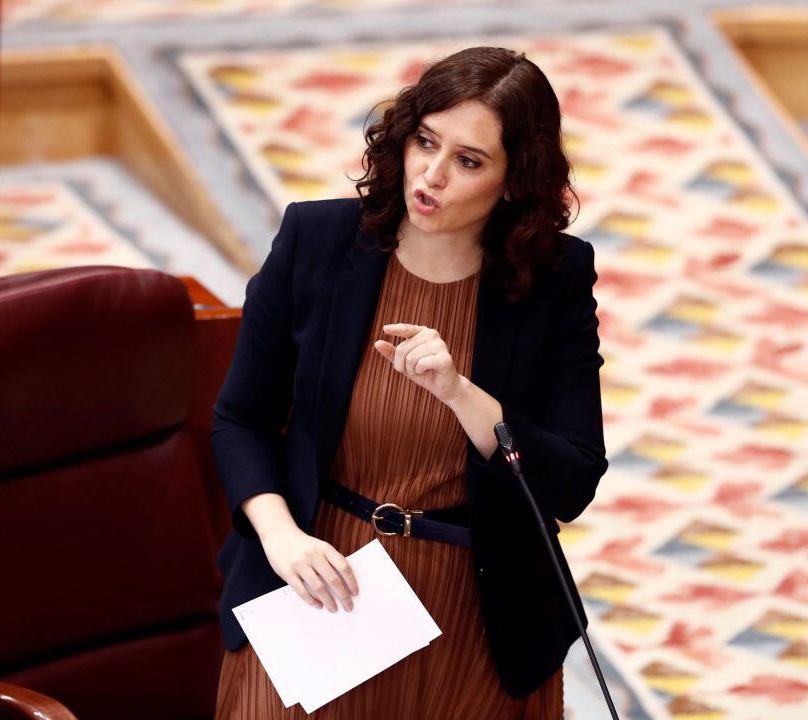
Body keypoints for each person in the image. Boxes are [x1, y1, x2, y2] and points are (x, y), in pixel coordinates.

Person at [211, 46, 608, 719]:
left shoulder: (554, 280)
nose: (432, 174)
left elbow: (571, 483)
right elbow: (240, 419)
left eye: (469, 161)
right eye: (426, 141)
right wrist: (281, 538)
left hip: (478, 610)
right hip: (319, 578)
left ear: (514, 181)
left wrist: (460, 391)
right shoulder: (317, 240)